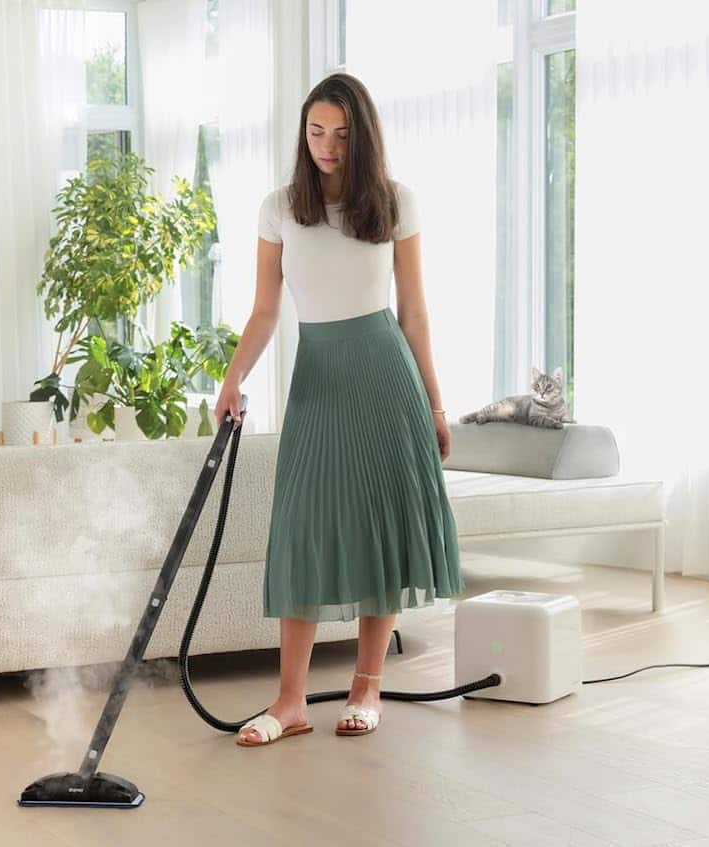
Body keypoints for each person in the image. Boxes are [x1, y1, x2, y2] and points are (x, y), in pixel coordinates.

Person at [212, 72, 465, 747]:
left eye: (342, 134)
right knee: (302, 530)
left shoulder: (394, 203)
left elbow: (414, 311)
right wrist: (232, 380)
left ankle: (366, 686)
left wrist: (436, 404)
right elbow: (266, 311)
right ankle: (291, 699)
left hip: (386, 376)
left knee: (377, 525)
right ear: (304, 133)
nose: (327, 145)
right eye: (317, 131)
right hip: (318, 378)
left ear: (363, 136)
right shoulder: (279, 209)